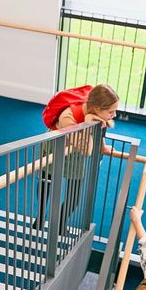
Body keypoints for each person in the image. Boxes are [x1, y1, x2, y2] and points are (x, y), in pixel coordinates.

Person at [33, 84, 119, 232]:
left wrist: (103, 147)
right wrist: (88, 122)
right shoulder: (68, 117)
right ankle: (40, 216)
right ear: (98, 109)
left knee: (74, 198)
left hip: (75, 153)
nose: (115, 115)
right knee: (46, 185)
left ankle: (60, 221)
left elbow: (100, 128)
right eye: (111, 111)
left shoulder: (94, 110)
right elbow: (87, 151)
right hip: (54, 150)